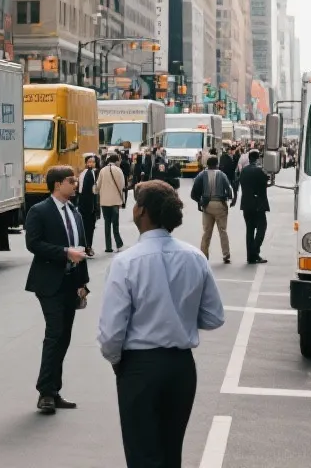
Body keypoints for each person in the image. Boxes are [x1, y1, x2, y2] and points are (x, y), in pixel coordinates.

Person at [97, 180, 226, 468]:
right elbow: (214, 316)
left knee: (143, 454)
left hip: (139, 366)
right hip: (181, 367)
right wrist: (180, 318)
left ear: (142, 211)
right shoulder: (194, 257)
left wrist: (118, 362)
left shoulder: (126, 262)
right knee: (170, 452)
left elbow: (111, 333)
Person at [24, 165, 90, 414]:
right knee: (55, 333)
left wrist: (83, 283)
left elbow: (81, 248)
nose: (75, 184)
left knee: (64, 337)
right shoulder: (39, 211)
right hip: (49, 283)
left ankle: (54, 389)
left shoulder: (75, 211)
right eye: (71, 181)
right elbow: (33, 243)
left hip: (71, 283)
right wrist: (64, 253)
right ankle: (45, 393)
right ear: (57, 184)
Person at [190, 155, 234, 263]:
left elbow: (193, 193)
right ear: (217, 164)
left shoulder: (201, 175)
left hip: (207, 205)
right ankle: (226, 254)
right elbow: (229, 192)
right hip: (220, 205)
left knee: (206, 232)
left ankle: (204, 254)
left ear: (207, 164)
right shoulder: (222, 175)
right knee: (222, 231)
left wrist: (200, 202)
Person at [238, 150, 271, 264]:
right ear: (258, 158)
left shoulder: (244, 171)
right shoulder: (260, 170)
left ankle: (250, 256)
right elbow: (266, 183)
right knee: (262, 228)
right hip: (258, 204)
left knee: (250, 230)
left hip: (246, 204)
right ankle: (254, 251)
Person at [97, 153, 127, 252]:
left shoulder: (102, 170)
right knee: (115, 224)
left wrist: (95, 191)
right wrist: (122, 200)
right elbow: (122, 186)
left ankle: (108, 246)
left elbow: (97, 186)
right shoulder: (119, 170)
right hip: (115, 201)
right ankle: (119, 245)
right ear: (116, 161)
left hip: (104, 201)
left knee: (107, 223)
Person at [78, 154, 99, 257]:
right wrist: (93, 208)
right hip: (88, 205)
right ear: (86, 163)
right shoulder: (90, 173)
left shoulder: (84, 173)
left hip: (83, 204)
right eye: (90, 161)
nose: (91, 163)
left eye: (93, 161)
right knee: (89, 227)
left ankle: (85, 246)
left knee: (84, 227)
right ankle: (88, 247)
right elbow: (90, 192)